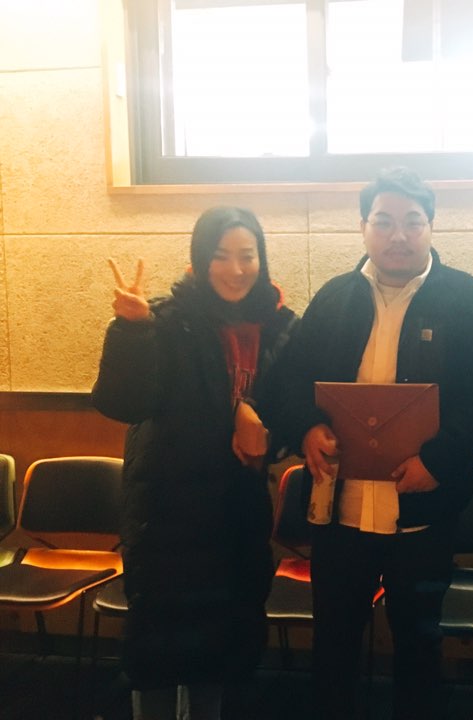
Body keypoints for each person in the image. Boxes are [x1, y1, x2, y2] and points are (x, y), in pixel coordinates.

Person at [266, 167, 473, 720]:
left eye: (412, 222)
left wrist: (439, 461)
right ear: (363, 227)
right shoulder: (334, 298)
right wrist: (306, 428)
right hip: (339, 511)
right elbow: (287, 383)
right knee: (334, 641)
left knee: (419, 641)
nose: (399, 235)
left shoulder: (467, 298)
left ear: (431, 226)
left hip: (423, 508)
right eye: (384, 221)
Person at [92, 207, 297, 719]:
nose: (235, 269)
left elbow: (291, 411)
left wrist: (260, 420)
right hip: (168, 515)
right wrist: (131, 330)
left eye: (247, 256)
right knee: (157, 652)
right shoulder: (167, 320)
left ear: (262, 259)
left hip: (236, 516)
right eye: (220, 256)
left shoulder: (280, 326)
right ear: (200, 259)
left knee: (220, 651)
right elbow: (124, 402)